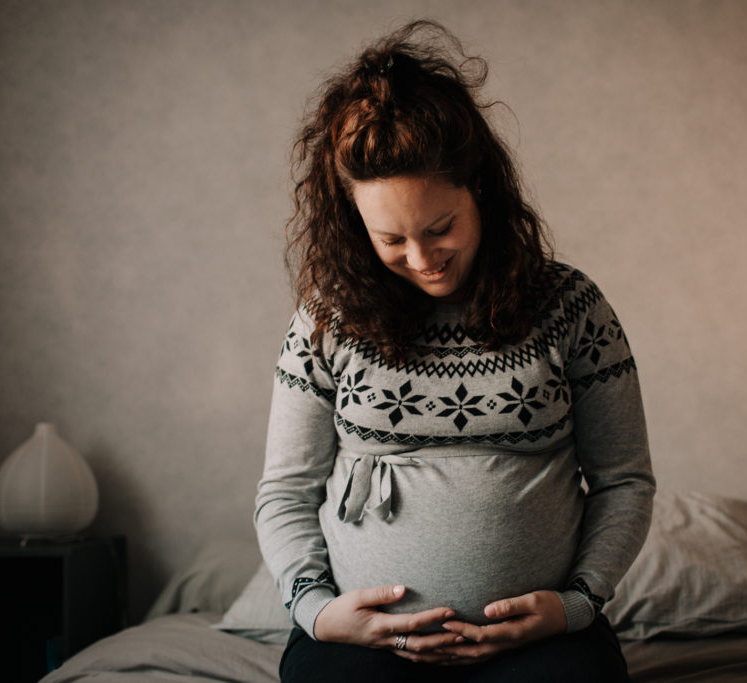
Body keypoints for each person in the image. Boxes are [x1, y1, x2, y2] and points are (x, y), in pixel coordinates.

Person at [255, 19, 655, 683]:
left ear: (482, 193)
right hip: (363, 646)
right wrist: (317, 613)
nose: (421, 258)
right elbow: (286, 492)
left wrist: (578, 603)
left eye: (440, 227)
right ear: (356, 228)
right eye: (391, 240)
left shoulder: (571, 307)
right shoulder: (327, 318)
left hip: (540, 646)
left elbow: (624, 481)